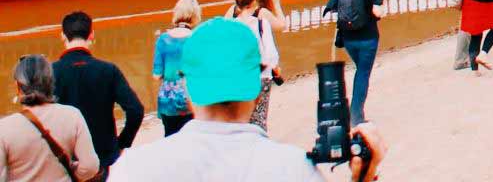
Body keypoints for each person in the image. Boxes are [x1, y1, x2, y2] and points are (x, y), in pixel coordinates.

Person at [109, 17, 386, 181]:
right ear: (256, 88)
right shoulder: (293, 170)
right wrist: (364, 175)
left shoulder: (133, 169)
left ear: (187, 88)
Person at [51, 11, 142, 175]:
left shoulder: (50, 73)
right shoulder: (108, 70)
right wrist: (120, 144)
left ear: (63, 36)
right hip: (101, 157)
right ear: (91, 35)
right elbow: (136, 110)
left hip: (64, 158)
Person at [2, 54, 100, 182]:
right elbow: (90, 167)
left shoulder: (5, 128)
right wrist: (71, 174)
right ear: (50, 82)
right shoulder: (72, 115)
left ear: (18, 86)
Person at [322, 0, 387, 126]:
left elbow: (331, 8)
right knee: (363, 73)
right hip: (368, 37)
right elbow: (377, 11)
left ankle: (355, 111)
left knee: (360, 70)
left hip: (348, 38)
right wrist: (382, 9)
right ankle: (356, 115)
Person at [225, 0, 285, 131]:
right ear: (254, 1)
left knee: (240, 117)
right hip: (261, 75)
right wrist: (274, 68)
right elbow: (270, 52)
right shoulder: (261, 21)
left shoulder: (232, 22)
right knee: (259, 117)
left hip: (239, 75)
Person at [150, 0, 201, 137]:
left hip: (168, 102)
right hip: (191, 101)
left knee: (171, 142)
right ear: (196, 16)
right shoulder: (197, 39)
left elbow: (156, 75)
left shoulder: (163, 39)